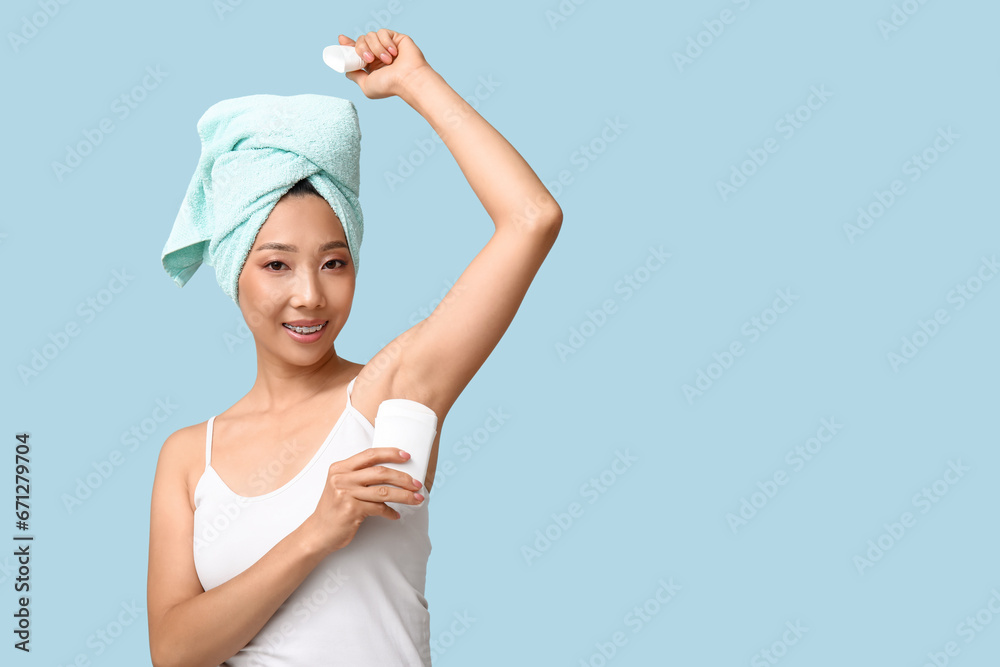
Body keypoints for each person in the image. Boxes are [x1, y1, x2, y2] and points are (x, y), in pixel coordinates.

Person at [146, 29, 562, 667]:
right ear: (235, 275)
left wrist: (414, 83)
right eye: (277, 266)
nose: (310, 296)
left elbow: (531, 218)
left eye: (334, 263)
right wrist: (316, 533)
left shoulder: (395, 391)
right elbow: (173, 652)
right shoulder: (188, 457)